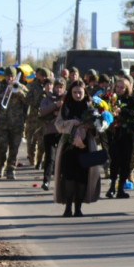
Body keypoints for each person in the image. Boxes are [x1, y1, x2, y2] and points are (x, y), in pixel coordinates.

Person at [54, 80, 102, 217]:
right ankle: (68, 206)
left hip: (86, 147)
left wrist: (90, 126)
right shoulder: (66, 107)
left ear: (84, 92)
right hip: (68, 148)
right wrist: (71, 123)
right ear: (71, 93)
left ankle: (78, 207)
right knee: (69, 177)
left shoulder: (90, 107)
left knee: (83, 178)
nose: (77, 95)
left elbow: (99, 128)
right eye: (75, 92)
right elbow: (58, 124)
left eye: (80, 92)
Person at [104, 76, 134, 199]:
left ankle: (121, 188)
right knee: (114, 161)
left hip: (127, 134)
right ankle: (112, 186)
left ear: (127, 88)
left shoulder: (130, 100)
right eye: (117, 87)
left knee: (125, 162)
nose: (119, 89)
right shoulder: (110, 99)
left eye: (122, 87)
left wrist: (122, 110)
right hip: (114, 134)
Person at [0, 67, 29, 180]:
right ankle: (0, 167)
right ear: (5, 76)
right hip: (2, 123)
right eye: (8, 76)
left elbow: (28, 100)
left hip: (17, 124)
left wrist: (18, 92)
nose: (10, 78)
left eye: (12, 76)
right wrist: (5, 93)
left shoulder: (21, 87)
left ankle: (11, 170)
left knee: (14, 148)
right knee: (1, 146)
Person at [39, 77, 64, 191]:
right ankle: (46, 181)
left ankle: (61, 182)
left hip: (62, 132)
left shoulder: (67, 98)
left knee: (62, 158)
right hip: (50, 131)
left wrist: (60, 111)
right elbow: (42, 111)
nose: (59, 90)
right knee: (50, 157)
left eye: (61, 87)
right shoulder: (47, 98)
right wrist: (55, 105)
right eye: (57, 87)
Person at [25, 67, 48, 167]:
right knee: (31, 140)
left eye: (45, 76)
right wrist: (37, 103)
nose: (44, 78)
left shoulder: (48, 85)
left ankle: (40, 160)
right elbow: (27, 98)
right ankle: (31, 157)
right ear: (38, 75)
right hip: (33, 117)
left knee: (42, 141)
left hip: (44, 118)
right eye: (42, 76)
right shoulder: (31, 85)